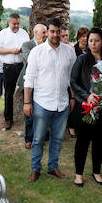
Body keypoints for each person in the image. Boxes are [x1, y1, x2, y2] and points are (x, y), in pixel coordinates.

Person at [23, 18, 76, 182]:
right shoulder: (37, 52)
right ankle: (35, 169)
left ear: (61, 32)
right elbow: (29, 79)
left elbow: (72, 78)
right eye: (52, 31)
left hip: (62, 103)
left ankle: (53, 167)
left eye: (58, 31)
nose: (55, 34)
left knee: (57, 139)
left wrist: (72, 97)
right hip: (42, 103)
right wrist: (27, 102)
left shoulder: (69, 52)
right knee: (38, 139)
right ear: (47, 32)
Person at [70, 28, 102, 186]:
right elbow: (73, 82)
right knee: (82, 141)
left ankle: (96, 171)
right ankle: (78, 174)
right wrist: (87, 95)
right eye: (90, 41)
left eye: (96, 40)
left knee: (99, 142)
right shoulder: (82, 60)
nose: (93, 43)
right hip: (86, 107)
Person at [0, 13, 30, 129]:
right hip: (8, 67)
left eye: (18, 23)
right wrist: (11, 51)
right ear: (9, 22)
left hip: (21, 66)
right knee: (8, 94)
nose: (16, 26)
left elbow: (28, 47)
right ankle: (8, 119)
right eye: (14, 23)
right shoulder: (2, 34)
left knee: (26, 91)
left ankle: (27, 118)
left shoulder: (24, 33)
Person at [18, 23, 48, 149]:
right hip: (30, 84)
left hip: (44, 84)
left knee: (44, 111)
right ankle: (29, 138)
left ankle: (44, 135)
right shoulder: (26, 45)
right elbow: (29, 58)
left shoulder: (49, 46)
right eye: (44, 33)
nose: (46, 35)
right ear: (35, 33)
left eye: (46, 32)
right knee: (29, 112)